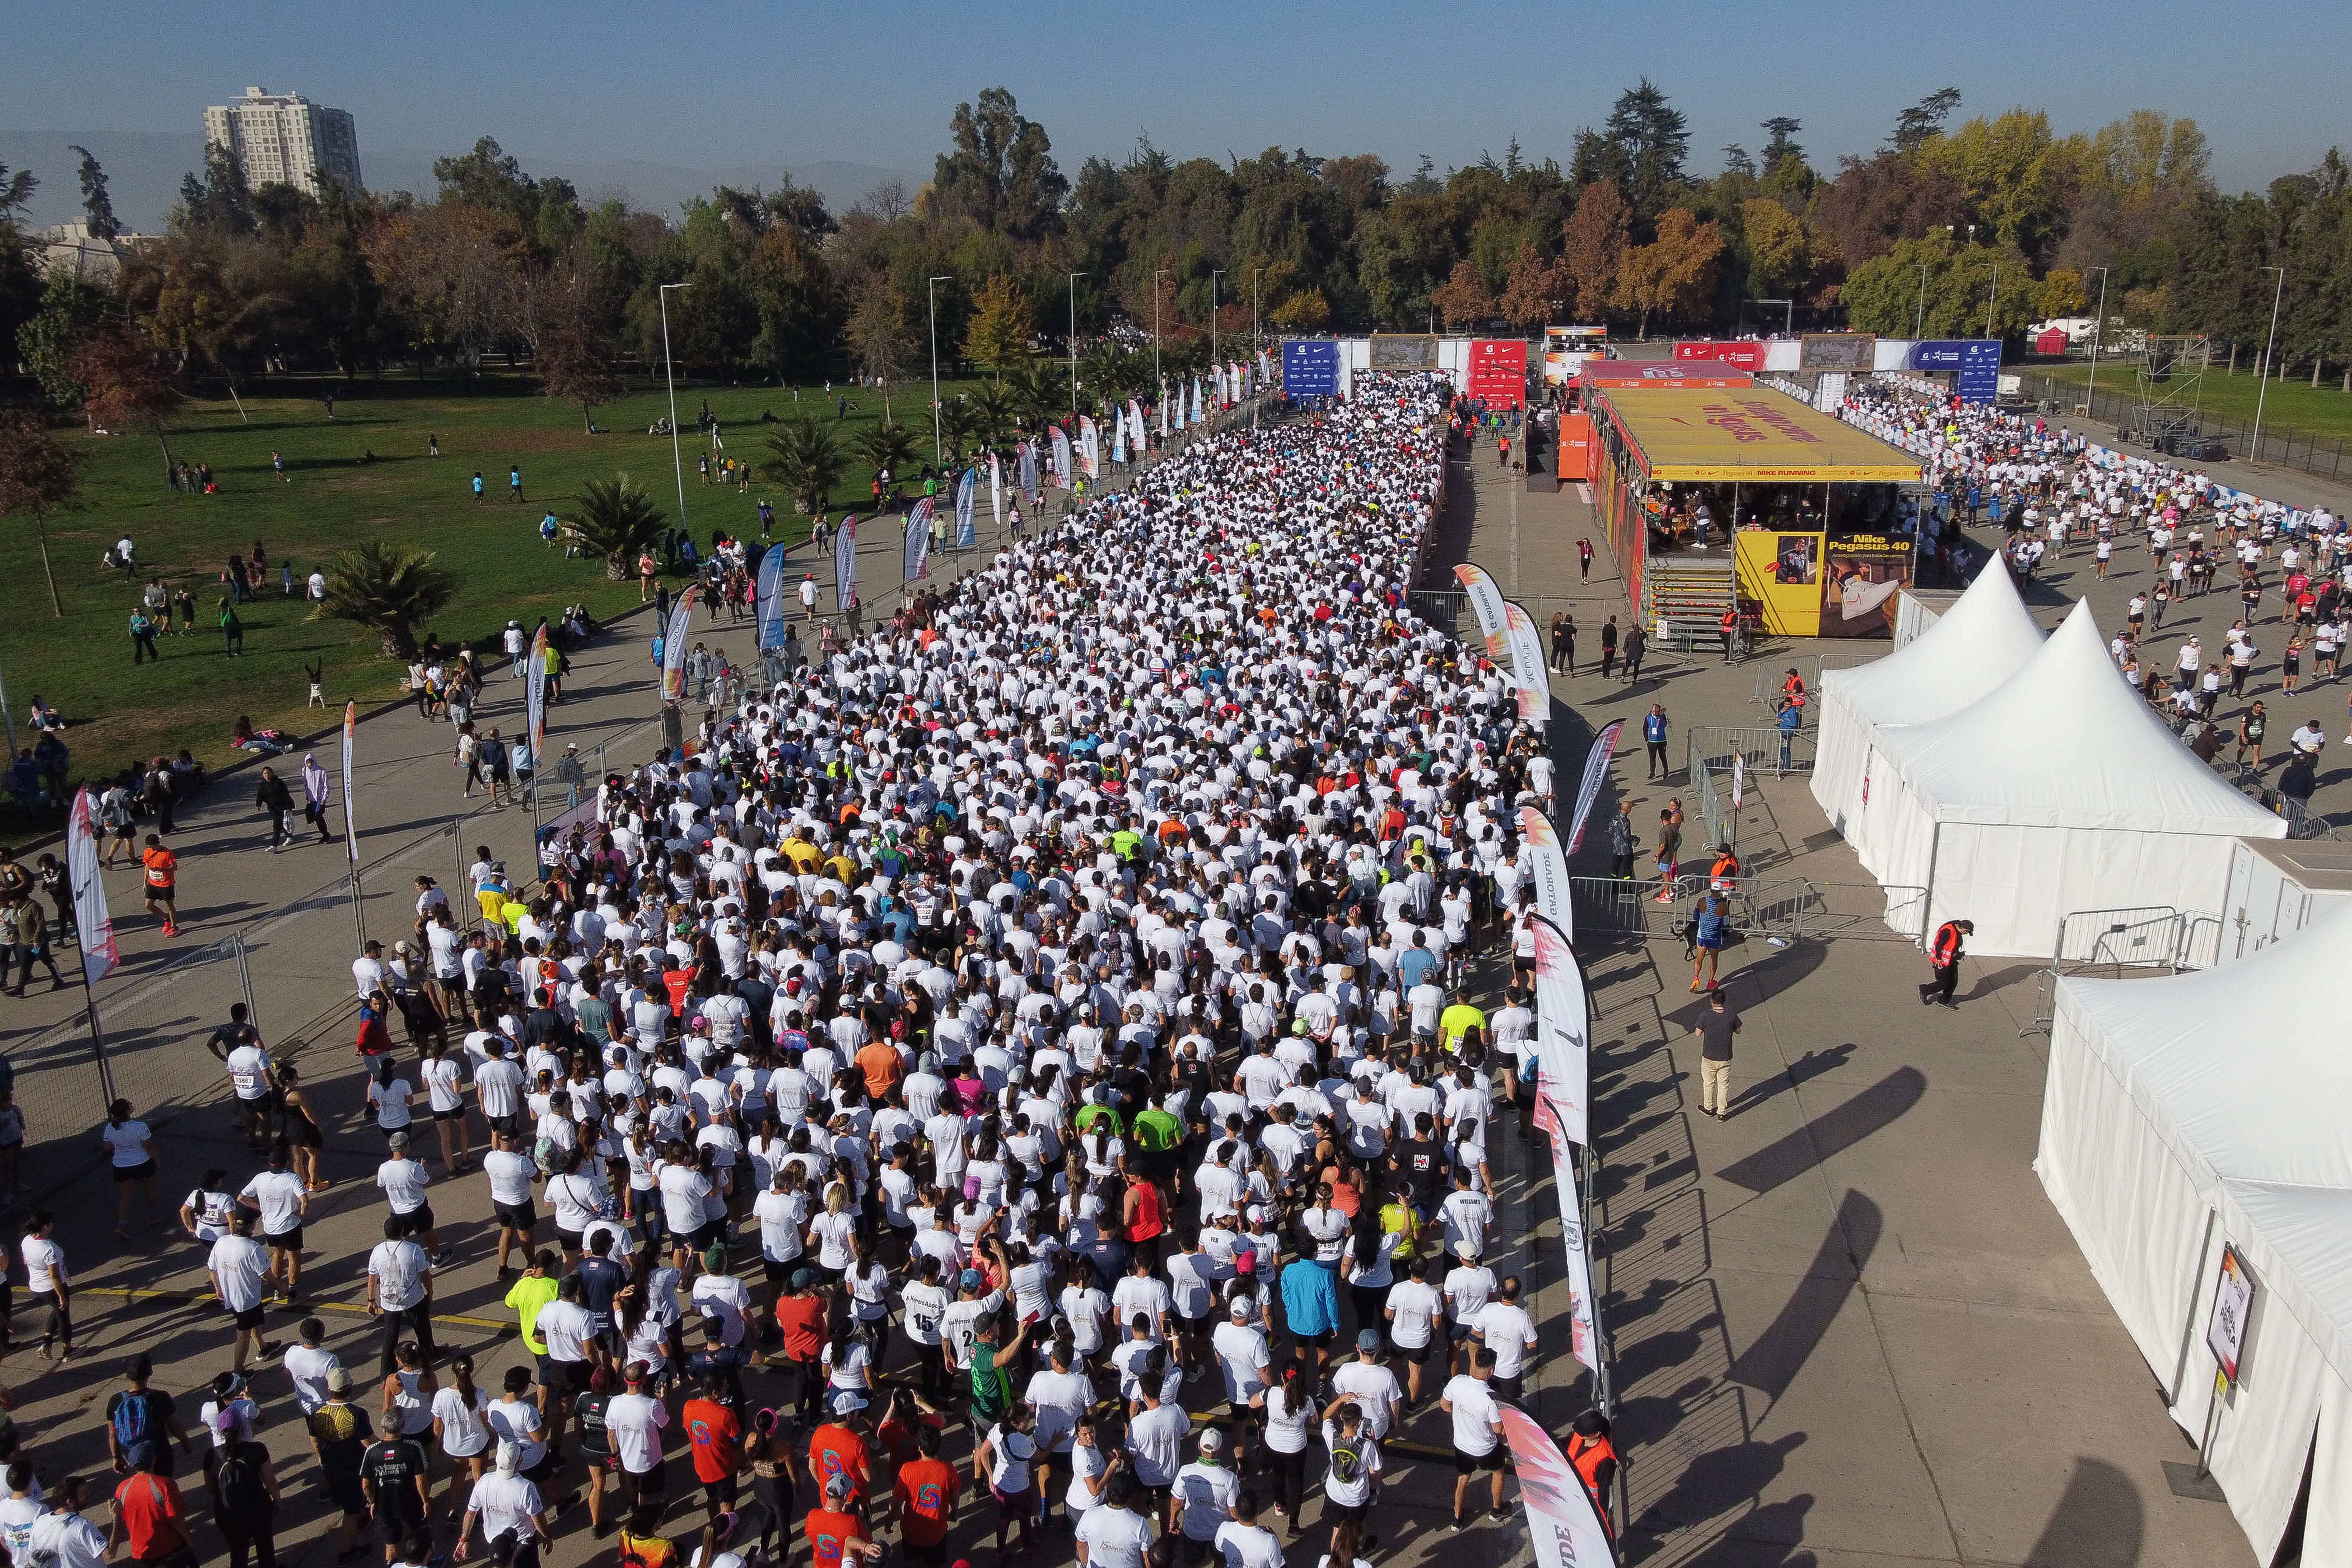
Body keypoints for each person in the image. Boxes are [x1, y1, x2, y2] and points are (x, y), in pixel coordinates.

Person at [1439, 1346, 1505, 1529]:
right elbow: (1498, 1429)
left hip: (1461, 1445)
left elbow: (1444, 1405)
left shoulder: (1457, 1382)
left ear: (1474, 1363)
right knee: (1498, 1471)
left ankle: (1457, 1518)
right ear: (1491, 1371)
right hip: (1486, 1449)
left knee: (1463, 1479)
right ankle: (1497, 1510)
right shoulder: (1490, 1398)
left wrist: (1459, 1415)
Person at [1920, 918, 1973, 1008]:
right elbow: (1939, 945)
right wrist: (1939, 958)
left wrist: (1959, 955)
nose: (1967, 934)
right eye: (1967, 932)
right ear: (1963, 928)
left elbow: (1952, 946)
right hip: (1941, 962)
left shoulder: (1958, 932)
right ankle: (1924, 990)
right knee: (1944, 983)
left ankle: (1944, 1001)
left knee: (1954, 982)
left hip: (1951, 961)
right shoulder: (1948, 931)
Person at [1641, 704, 1668, 781]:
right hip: (1652, 742)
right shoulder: (1648, 718)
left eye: (1657, 711)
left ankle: (1666, 771)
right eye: (1654, 711)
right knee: (1652, 758)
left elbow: (1664, 725)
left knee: (1663, 757)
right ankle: (1652, 773)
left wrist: (1661, 717)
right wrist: (1647, 740)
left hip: (1662, 741)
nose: (1655, 713)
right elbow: (1645, 728)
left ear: (1659, 711)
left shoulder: (1662, 716)